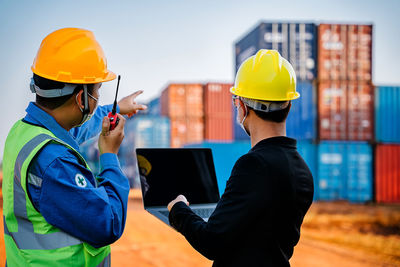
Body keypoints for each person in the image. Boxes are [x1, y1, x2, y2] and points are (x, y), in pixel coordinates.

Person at [2, 28, 146, 266]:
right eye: (97, 90)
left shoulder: (25, 132)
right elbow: (108, 223)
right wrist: (109, 155)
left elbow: (76, 129)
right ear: (81, 98)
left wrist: (116, 108)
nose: (98, 95)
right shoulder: (54, 162)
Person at [168, 49, 314, 267]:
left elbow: (210, 241)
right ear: (289, 104)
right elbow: (258, 228)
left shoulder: (254, 165)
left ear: (243, 107)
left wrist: (178, 209)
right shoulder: (303, 170)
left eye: (236, 101)